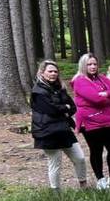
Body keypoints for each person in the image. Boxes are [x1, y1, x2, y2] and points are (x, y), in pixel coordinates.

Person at [30, 60, 89, 190]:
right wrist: (64, 108)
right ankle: (56, 191)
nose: (53, 74)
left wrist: (64, 108)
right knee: (55, 163)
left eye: (55, 71)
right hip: (47, 132)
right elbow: (51, 110)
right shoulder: (38, 92)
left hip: (64, 129)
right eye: (50, 71)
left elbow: (72, 106)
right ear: (42, 73)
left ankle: (84, 185)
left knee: (79, 158)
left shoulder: (59, 88)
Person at [73, 53, 110, 189]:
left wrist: (106, 94)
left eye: (94, 64)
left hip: (108, 120)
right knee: (96, 150)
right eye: (89, 64)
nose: (93, 66)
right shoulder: (80, 81)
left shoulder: (102, 78)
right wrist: (106, 97)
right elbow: (96, 99)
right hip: (90, 122)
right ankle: (100, 179)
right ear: (83, 65)